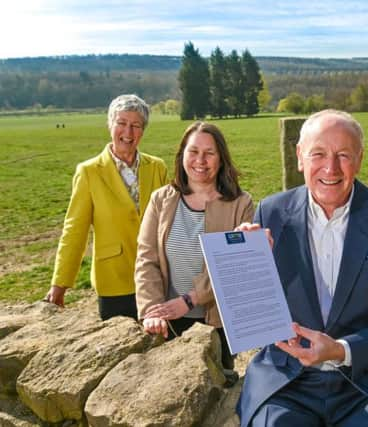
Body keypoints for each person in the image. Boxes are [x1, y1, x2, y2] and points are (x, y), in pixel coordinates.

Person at [236, 110, 368, 427]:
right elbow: (251, 316)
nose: (330, 168)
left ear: (360, 159)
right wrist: (247, 267)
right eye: (318, 154)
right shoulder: (271, 212)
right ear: (300, 157)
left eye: (343, 155)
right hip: (287, 382)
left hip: (366, 381)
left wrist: (341, 350)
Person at [135, 121, 254, 379]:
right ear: (182, 156)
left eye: (209, 153)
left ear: (221, 159)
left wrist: (189, 300)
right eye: (194, 151)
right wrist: (152, 311)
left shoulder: (240, 204)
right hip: (168, 321)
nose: (201, 160)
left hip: (217, 323)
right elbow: (147, 259)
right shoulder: (161, 199)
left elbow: (234, 270)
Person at [45, 94, 168, 320]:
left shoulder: (157, 167)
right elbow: (75, 230)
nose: (128, 133)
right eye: (121, 123)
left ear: (143, 130)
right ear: (110, 124)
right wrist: (60, 283)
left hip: (156, 279)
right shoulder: (89, 172)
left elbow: (171, 222)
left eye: (136, 126)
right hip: (114, 283)